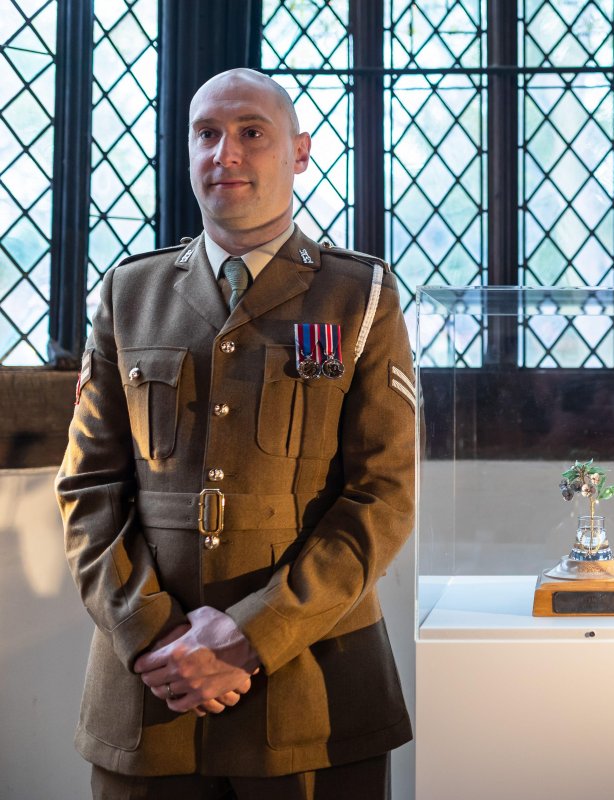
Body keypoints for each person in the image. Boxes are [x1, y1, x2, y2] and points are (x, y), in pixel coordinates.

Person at [57, 68, 417, 798]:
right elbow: (90, 487)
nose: (226, 153)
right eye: (207, 134)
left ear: (300, 152)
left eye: (252, 132)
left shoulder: (359, 296)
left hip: (312, 693)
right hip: (152, 697)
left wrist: (252, 634)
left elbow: (382, 497)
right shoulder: (131, 293)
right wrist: (154, 634)